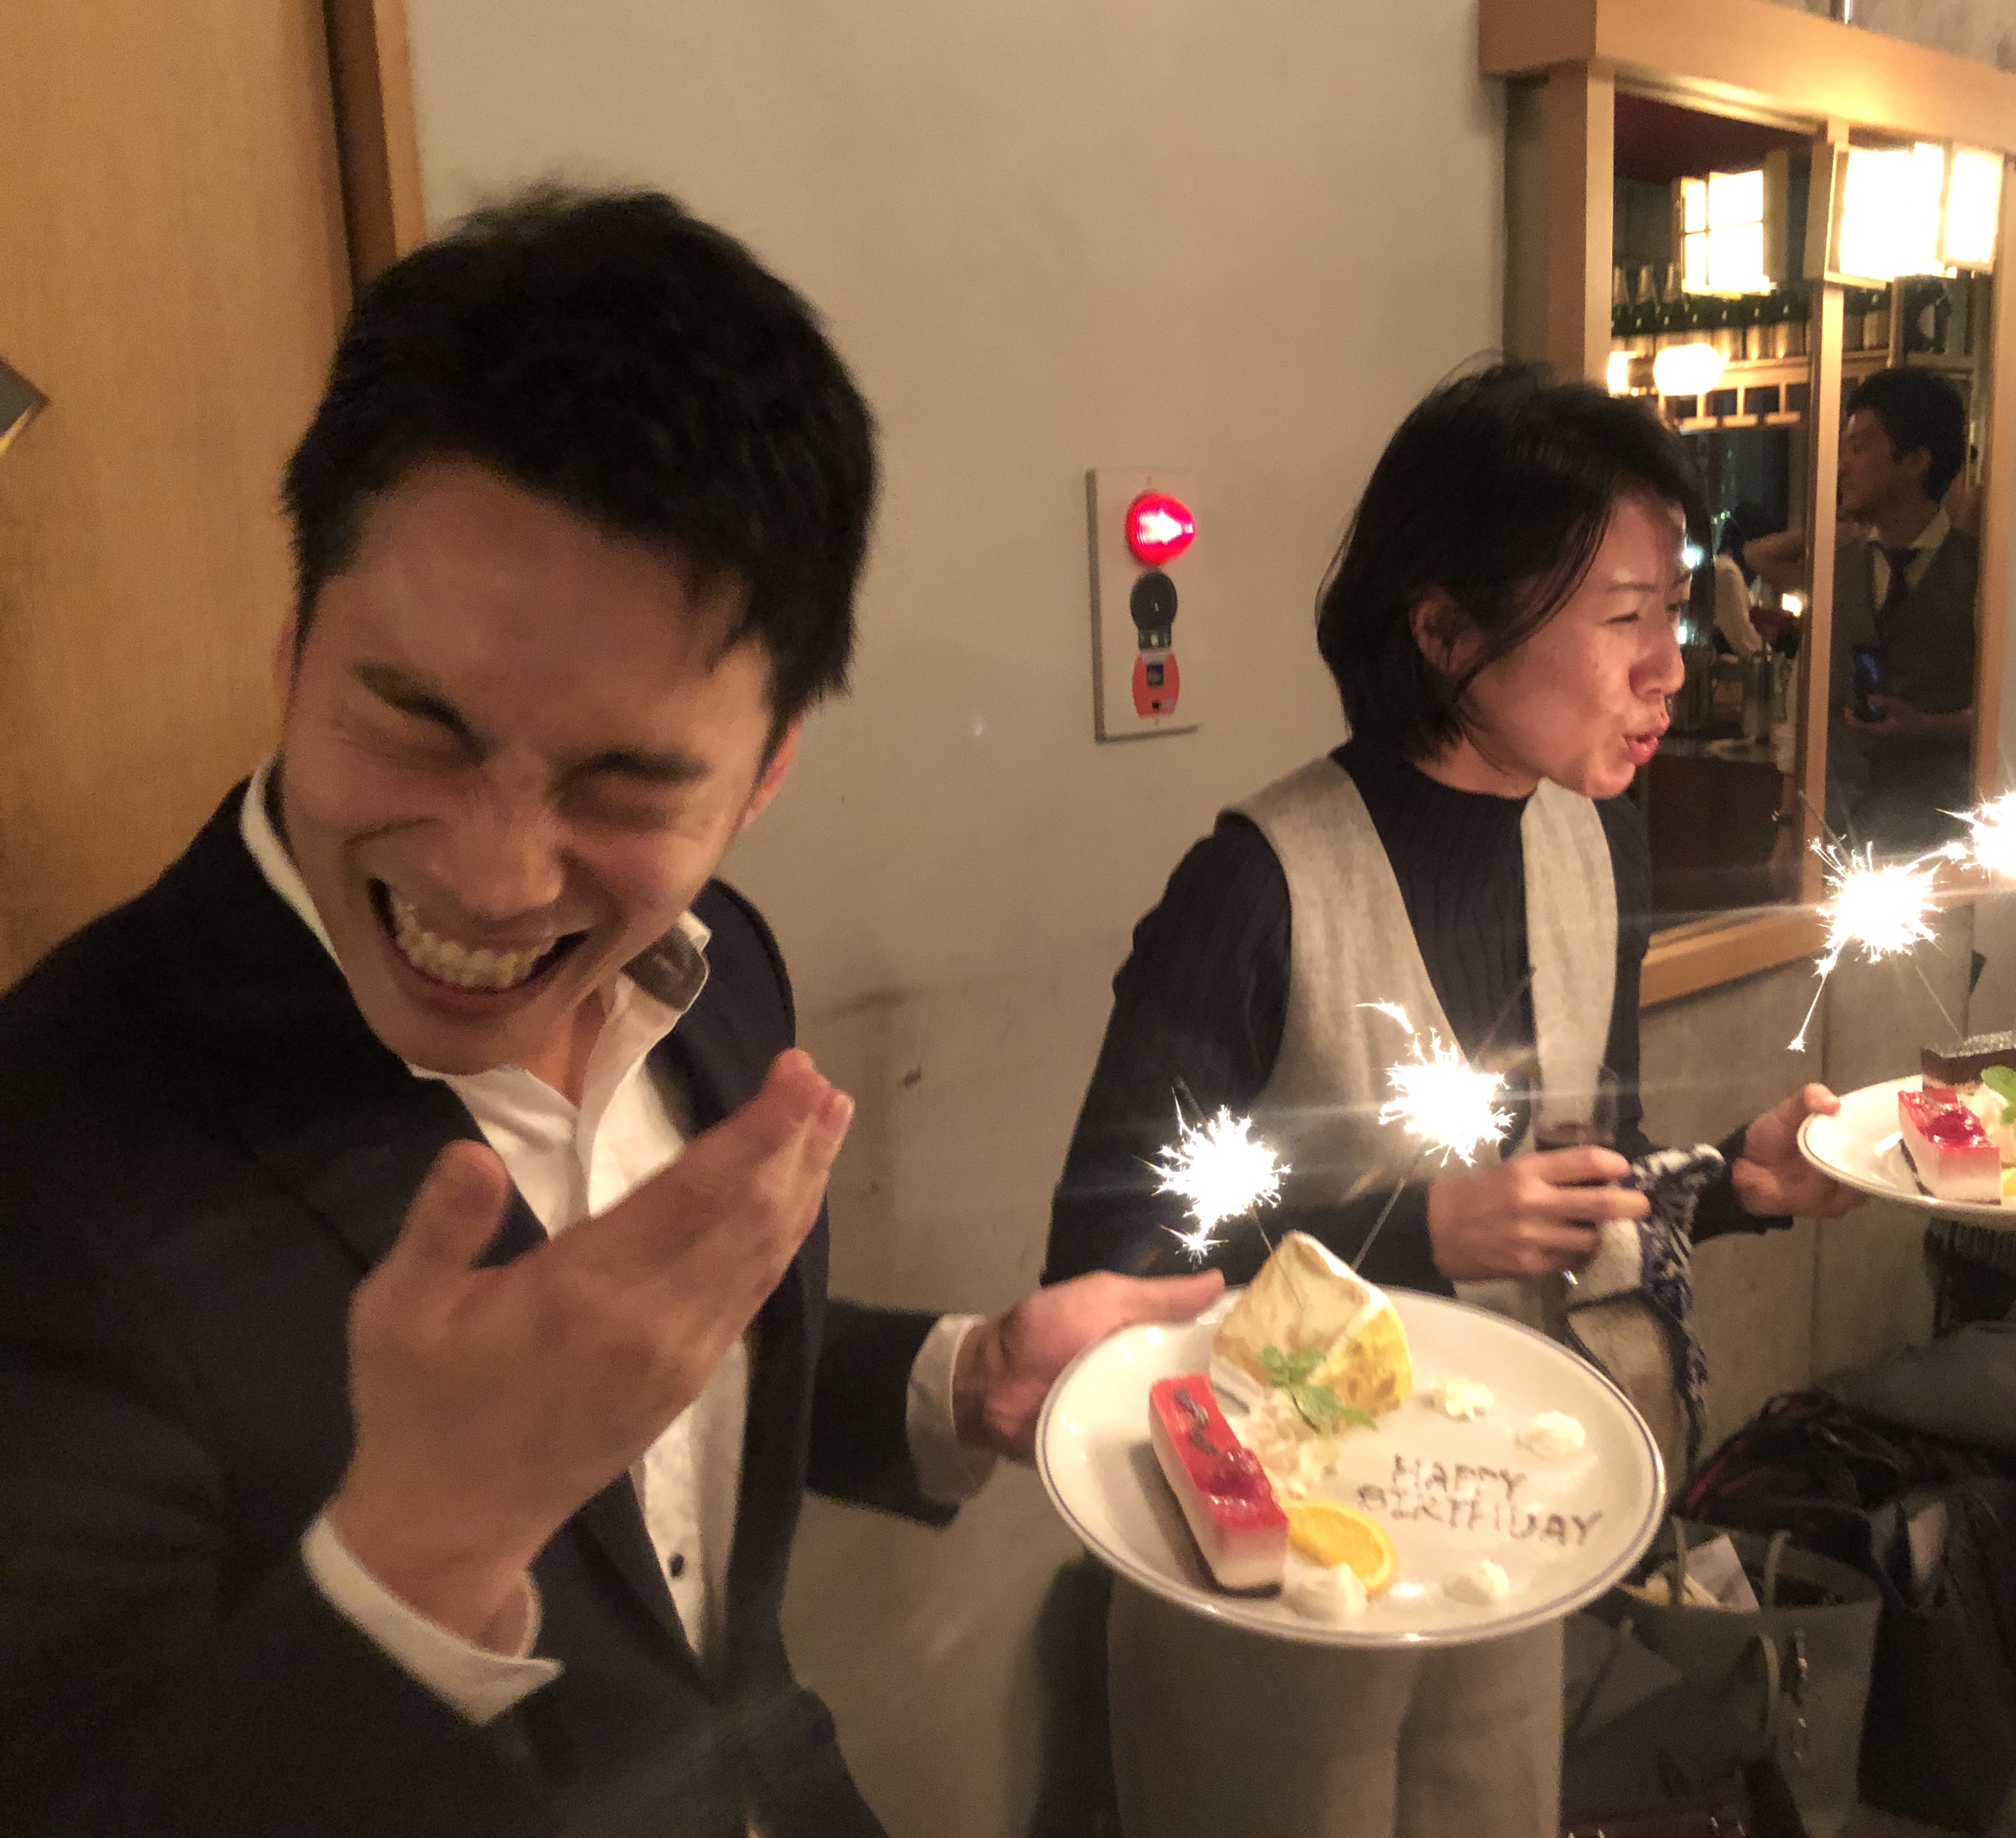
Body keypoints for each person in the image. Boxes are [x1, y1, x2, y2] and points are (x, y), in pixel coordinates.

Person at [0, 188, 1219, 1838]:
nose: (494, 877)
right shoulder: (49, 1155)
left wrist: (963, 1381)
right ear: (293, 654)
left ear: (762, 778)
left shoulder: (718, 965)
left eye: (625, 784)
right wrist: (415, 1564)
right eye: (415, 722)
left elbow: (646, 1395)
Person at [1043, 364, 1859, 1838]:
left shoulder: (1598, 845)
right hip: (1270, 1572)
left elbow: (1578, 1176)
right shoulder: (1254, 889)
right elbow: (1100, 1264)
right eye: (1623, 617)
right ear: (1445, 632)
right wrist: (1415, 1232)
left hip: (1496, 1527)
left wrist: (1734, 1179)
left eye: (1674, 611)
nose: (1671, 667)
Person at [1744, 365, 1980, 853]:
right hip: (1838, 833)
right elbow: (1803, 705)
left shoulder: (1981, 572)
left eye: (1858, 448)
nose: (1842, 467)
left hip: (1943, 838)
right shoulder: (1835, 568)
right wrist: (1787, 822)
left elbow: (2012, 713)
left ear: (1914, 461)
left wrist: (1931, 728)